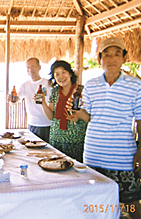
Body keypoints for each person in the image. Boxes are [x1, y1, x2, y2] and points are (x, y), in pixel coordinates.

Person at [67, 37, 141, 219]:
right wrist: (77, 114)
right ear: (100, 60)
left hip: (123, 156)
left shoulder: (136, 85)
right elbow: (89, 115)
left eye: (117, 54)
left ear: (124, 58)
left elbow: (140, 120)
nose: (111, 59)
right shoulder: (91, 85)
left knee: (131, 203)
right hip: (93, 154)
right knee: (94, 202)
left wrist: (140, 150)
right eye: (106, 55)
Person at [40, 60, 88, 162]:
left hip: (76, 140)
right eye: (57, 74)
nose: (61, 77)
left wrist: (77, 117)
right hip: (56, 139)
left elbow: (87, 117)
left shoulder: (81, 90)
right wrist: (43, 102)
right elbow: (50, 117)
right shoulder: (54, 91)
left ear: (70, 74)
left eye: (63, 72)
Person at [8, 57, 52, 142]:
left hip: (48, 124)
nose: (30, 69)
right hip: (32, 124)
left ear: (39, 67)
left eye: (33, 66)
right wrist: (11, 100)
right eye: (28, 67)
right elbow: (15, 100)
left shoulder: (48, 83)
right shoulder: (25, 85)